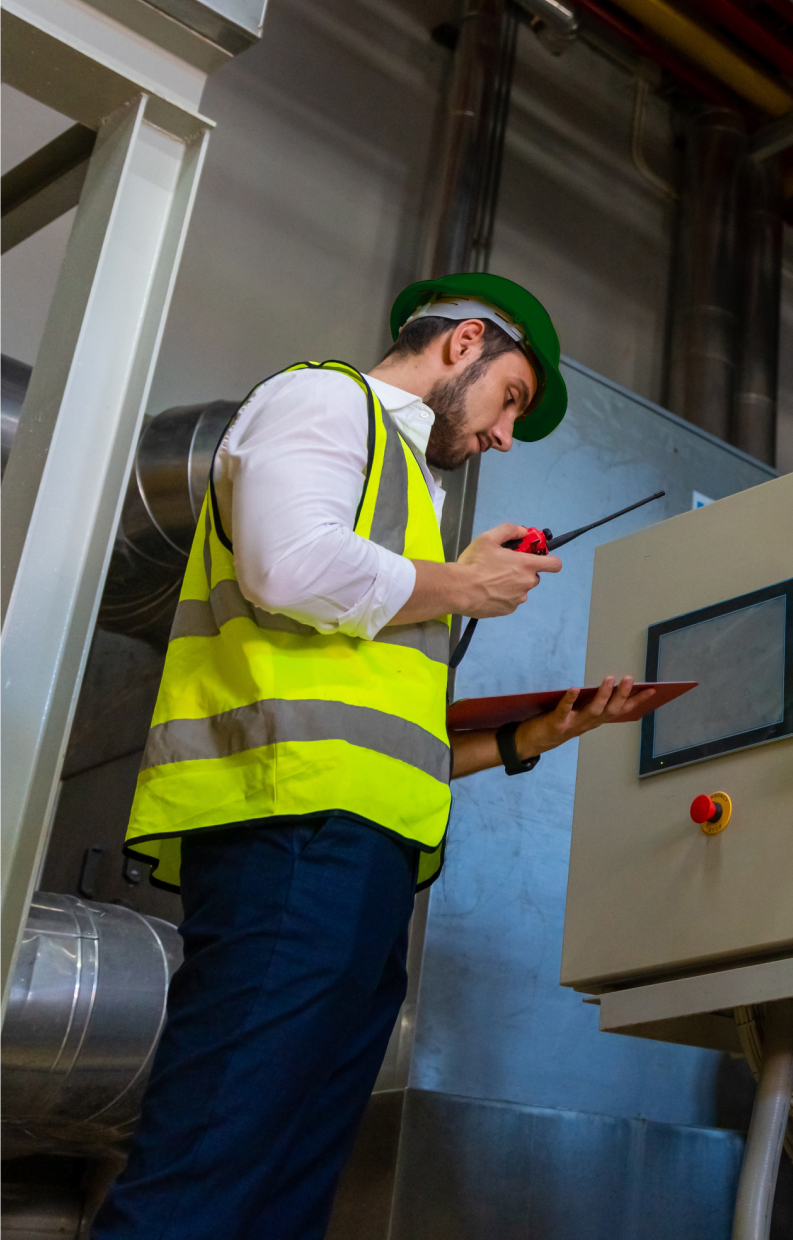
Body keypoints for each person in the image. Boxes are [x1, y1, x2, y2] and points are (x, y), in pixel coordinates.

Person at [92, 274, 651, 1240]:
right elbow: (287, 563)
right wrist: (458, 583)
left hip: (359, 859)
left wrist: (530, 737)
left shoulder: (411, 507)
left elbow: (379, 737)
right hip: (288, 835)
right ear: (462, 343)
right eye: (510, 398)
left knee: (286, 1186)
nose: (503, 437)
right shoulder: (321, 398)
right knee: (209, 1164)